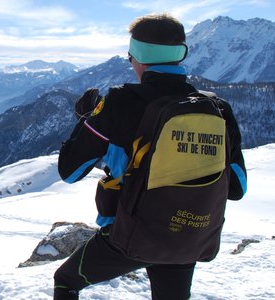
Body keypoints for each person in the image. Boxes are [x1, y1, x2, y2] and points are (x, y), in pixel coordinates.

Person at [54, 14, 247, 299]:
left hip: (132, 235)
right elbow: (237, 188)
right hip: (189, 234)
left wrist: (87, 120)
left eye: (130, 56)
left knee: (66, 280)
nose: (131, 63)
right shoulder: (217, 108)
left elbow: (69, 171)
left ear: (139, 57)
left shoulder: (120, 101)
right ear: (180, 54)